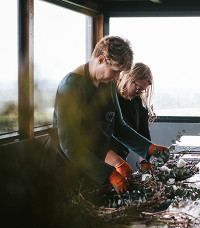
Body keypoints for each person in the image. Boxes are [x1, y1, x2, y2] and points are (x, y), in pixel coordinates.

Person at [42, 36, 170, 195]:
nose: (117, 77)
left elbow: (119, 128)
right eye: (116, 71)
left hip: (93, 163)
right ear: (101, 60)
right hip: (65, 167)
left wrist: (148, 148)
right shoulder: (71, 86)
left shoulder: (107, 85)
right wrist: (108, 173)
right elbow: (70, 144)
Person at [105, 62, 155, 172]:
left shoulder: (139, 103)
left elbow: (144, 134)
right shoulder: (109, 97)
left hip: (121, 159)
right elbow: (98, 140)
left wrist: (145, 162)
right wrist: (117, 163)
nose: (139, 93)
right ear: (128, 77)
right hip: (103, 159)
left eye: (142, 90)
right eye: (138, 88)